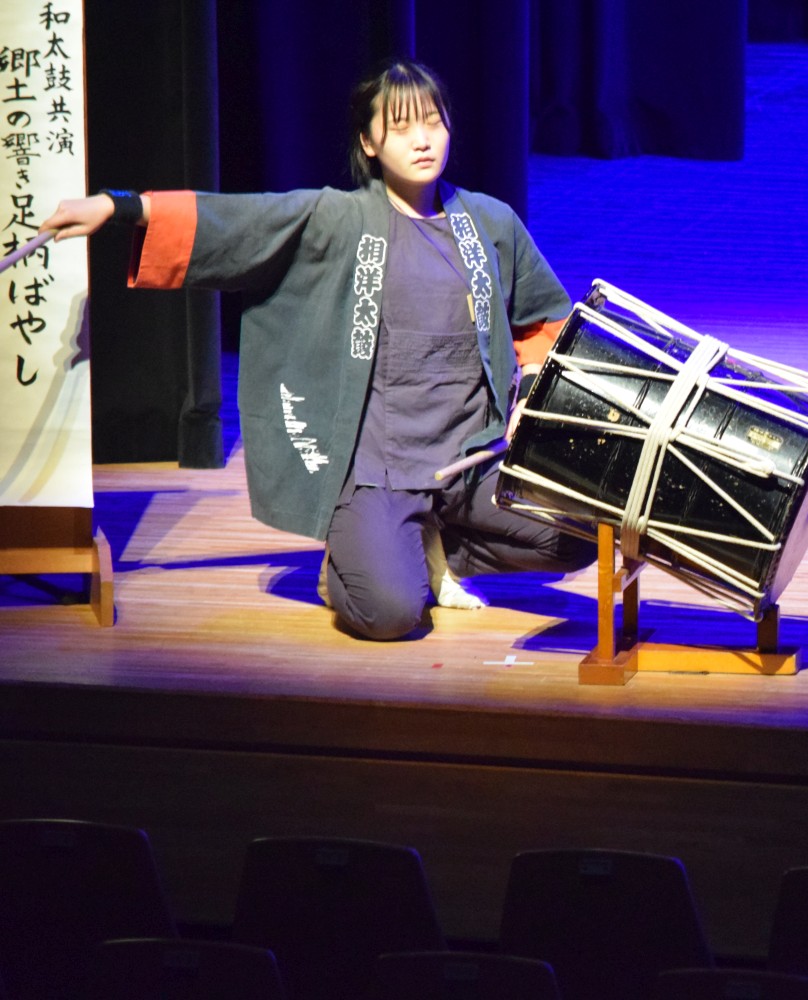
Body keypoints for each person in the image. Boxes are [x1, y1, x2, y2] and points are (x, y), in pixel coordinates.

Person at [42, 59, 595, 640]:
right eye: (402, 126)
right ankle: (364, 555)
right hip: (381, 468)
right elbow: (242, 222)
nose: (422, 139)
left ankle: (425, 547)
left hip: (471, 460)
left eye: (433, 122)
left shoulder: (490, 223)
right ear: (369, 142)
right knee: (390, 613)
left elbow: (541, 320)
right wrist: (122, 207)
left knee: (581, 532)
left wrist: (529, 397)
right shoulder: (341, 219)